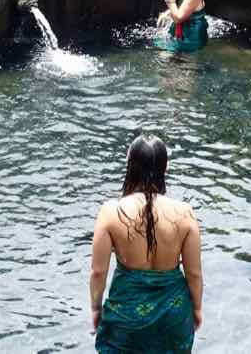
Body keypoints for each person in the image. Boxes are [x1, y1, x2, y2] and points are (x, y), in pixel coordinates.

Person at [90, 135, 202, 353]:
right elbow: (194, 274)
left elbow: (98, 272)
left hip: (126, 313)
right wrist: (196, 308)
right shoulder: (185, 213)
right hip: (173, 313)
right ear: (165, 168)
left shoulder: (111, 212)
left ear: (129, 165)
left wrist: (96, 308)